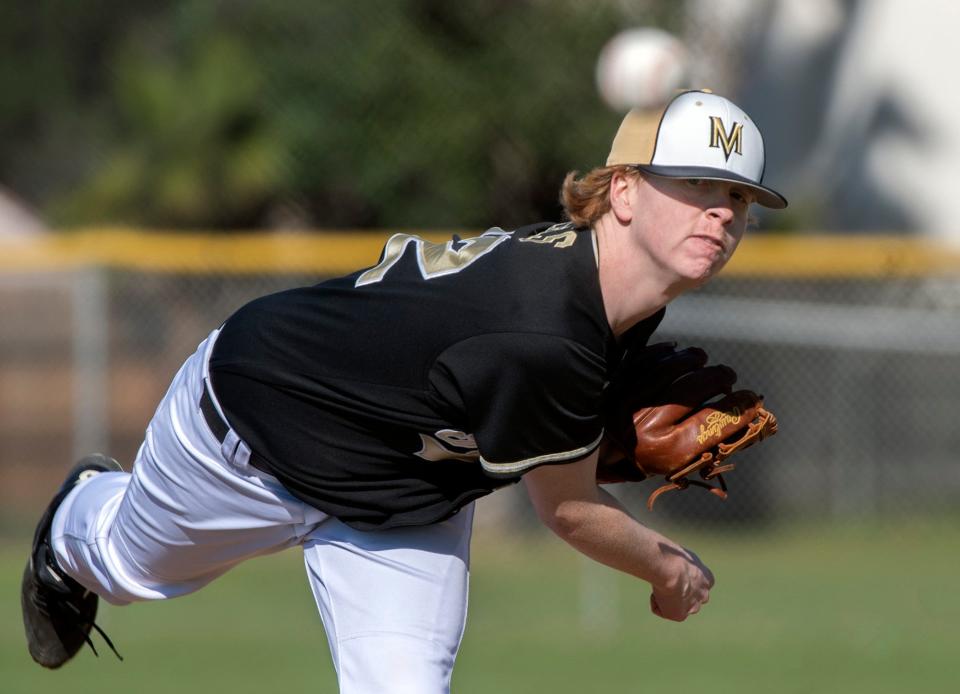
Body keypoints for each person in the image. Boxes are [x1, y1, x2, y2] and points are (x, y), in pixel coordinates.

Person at [21, 89, 786, 692]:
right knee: (126, 567)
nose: (722, 211)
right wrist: (668, 567)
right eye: (696, 183)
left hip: (405, 493)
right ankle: (73, 522)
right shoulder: (547, 328)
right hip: (259, 432)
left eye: (740, 198)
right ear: (623, 192)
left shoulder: (616, 305)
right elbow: (569, 509)